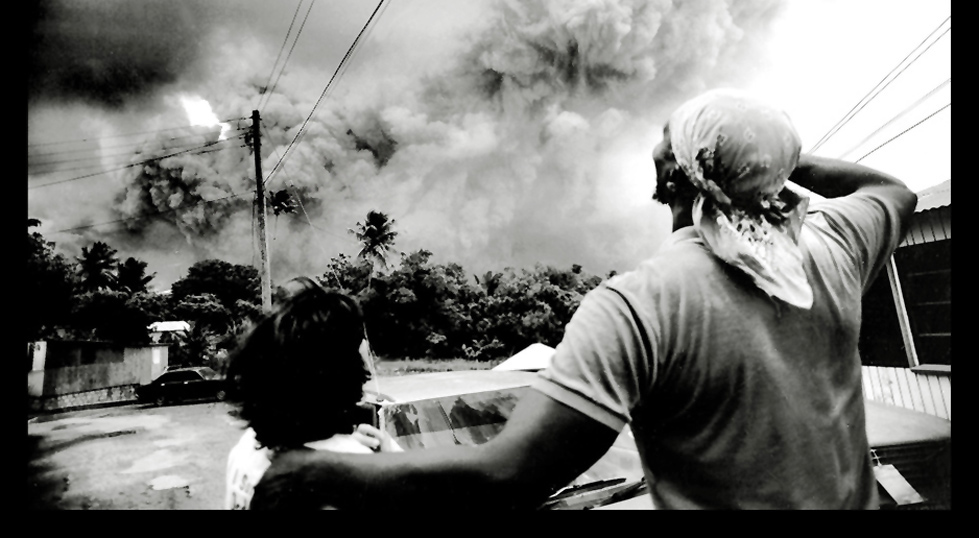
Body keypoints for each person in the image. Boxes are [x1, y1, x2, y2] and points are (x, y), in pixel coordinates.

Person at [249, 89, 917, 510]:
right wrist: (767, 151)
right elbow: (894, 191)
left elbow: (508, 476)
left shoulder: (638, 306)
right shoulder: (832, 248)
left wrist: (315, 474)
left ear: (669, 178)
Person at [224, 276, 400, 510]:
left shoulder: (247, 447)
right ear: (343, 370)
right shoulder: (359, 477)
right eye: (358, 343)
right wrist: (390, 462)